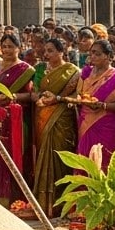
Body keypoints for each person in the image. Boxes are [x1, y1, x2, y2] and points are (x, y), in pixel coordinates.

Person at [0, 33, 35, 207]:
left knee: (10, 153)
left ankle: (12, 197)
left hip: (14, 118)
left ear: (18, 48)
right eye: (4, 46)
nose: (6, 50)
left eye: (10, 46)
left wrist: (11, 96)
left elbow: (31, 95)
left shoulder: (25, 70)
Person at [32, 37, 78, 216]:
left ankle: (60, 204)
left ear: (61, 52)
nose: (47, 54)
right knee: (44, 155)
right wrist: (40, 98)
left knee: (59, 157)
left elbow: (76, 95)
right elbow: (35, 91)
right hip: (43, 115)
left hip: (62, 118)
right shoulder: (40, 69)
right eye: (46, 51)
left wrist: (57, 98)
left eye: (51, 51)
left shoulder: (73, 71)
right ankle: (44, 204)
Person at [73, 39, 115, 169]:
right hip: (85, 122)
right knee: (85, 158)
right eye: (91, 53)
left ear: (109, 57)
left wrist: (103, 106)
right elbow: (80, 94)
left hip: (107, 125)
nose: (93, 56)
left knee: (104, 161)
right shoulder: (86, 72)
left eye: (97, 54)